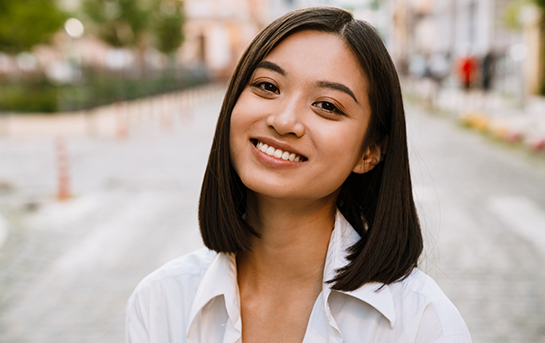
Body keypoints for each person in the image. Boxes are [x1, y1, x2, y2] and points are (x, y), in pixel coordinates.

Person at [126, 6, 472, 343]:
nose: (284, 120)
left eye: (327, 106)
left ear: (369, 152)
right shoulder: (161, 303)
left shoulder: (422, 323)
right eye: (268, 86)